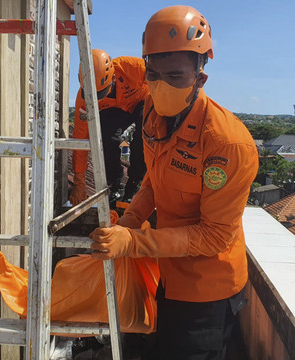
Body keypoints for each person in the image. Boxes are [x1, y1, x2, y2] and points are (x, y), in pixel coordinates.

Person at [89, 5, 259, 359]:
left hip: (207, 291)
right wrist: (132, 219)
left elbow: (214, 235)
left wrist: (133, 242)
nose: (161, 85)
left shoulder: (226, 144)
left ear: (200, 77)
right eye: (153, 74)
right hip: (169, 271)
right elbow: (156, 178)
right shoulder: (153, 113)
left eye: (176, 76)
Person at [69, 49, 148, 207]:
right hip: (114, 110)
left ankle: (134, 184)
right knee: (105, 136)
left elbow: (162, 77)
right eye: (94, 95)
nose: (98, 98)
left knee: (145, 136)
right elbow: (80, 141)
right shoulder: (84, 101)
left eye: (102, 92)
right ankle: (115, 185)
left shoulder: (134, 67)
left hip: (141, 102)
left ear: (112, 77)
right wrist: (79, 184)